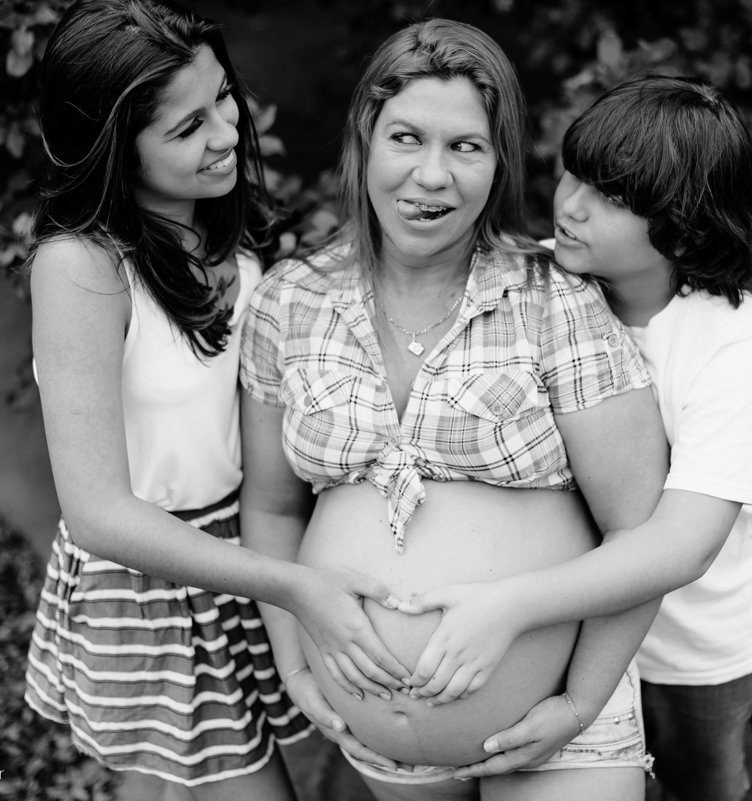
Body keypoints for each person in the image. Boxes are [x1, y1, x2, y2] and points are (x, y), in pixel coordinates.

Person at [238, 18, 669, 801]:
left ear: (499, 161)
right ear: (364, 139)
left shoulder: (554, 300)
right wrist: (295, 665)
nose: (431, 176)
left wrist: (579, 702)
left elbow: (641, 530)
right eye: (406, 137)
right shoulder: (287, 301)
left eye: (465, 147)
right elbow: (270, 506)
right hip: (382, 751)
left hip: (556, 732)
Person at [21, 1, 414, 798]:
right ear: (114, 149)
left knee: (169, 782)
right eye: (187, 126)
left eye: (223, 98)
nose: (228, 132)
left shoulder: (233, 240)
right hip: (150, 579)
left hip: (246, 551)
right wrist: (295, 584)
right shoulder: (82, 269)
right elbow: (97, 509)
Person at [401, 75, 752, 801]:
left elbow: (685, 542)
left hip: (693, 642)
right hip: (573, 623)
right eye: (573, 175)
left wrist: (511, 603)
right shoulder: (540, 284)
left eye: (612, 197)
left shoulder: (732, 343)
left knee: (702, 777)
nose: (571, 206)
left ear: (687, 223)